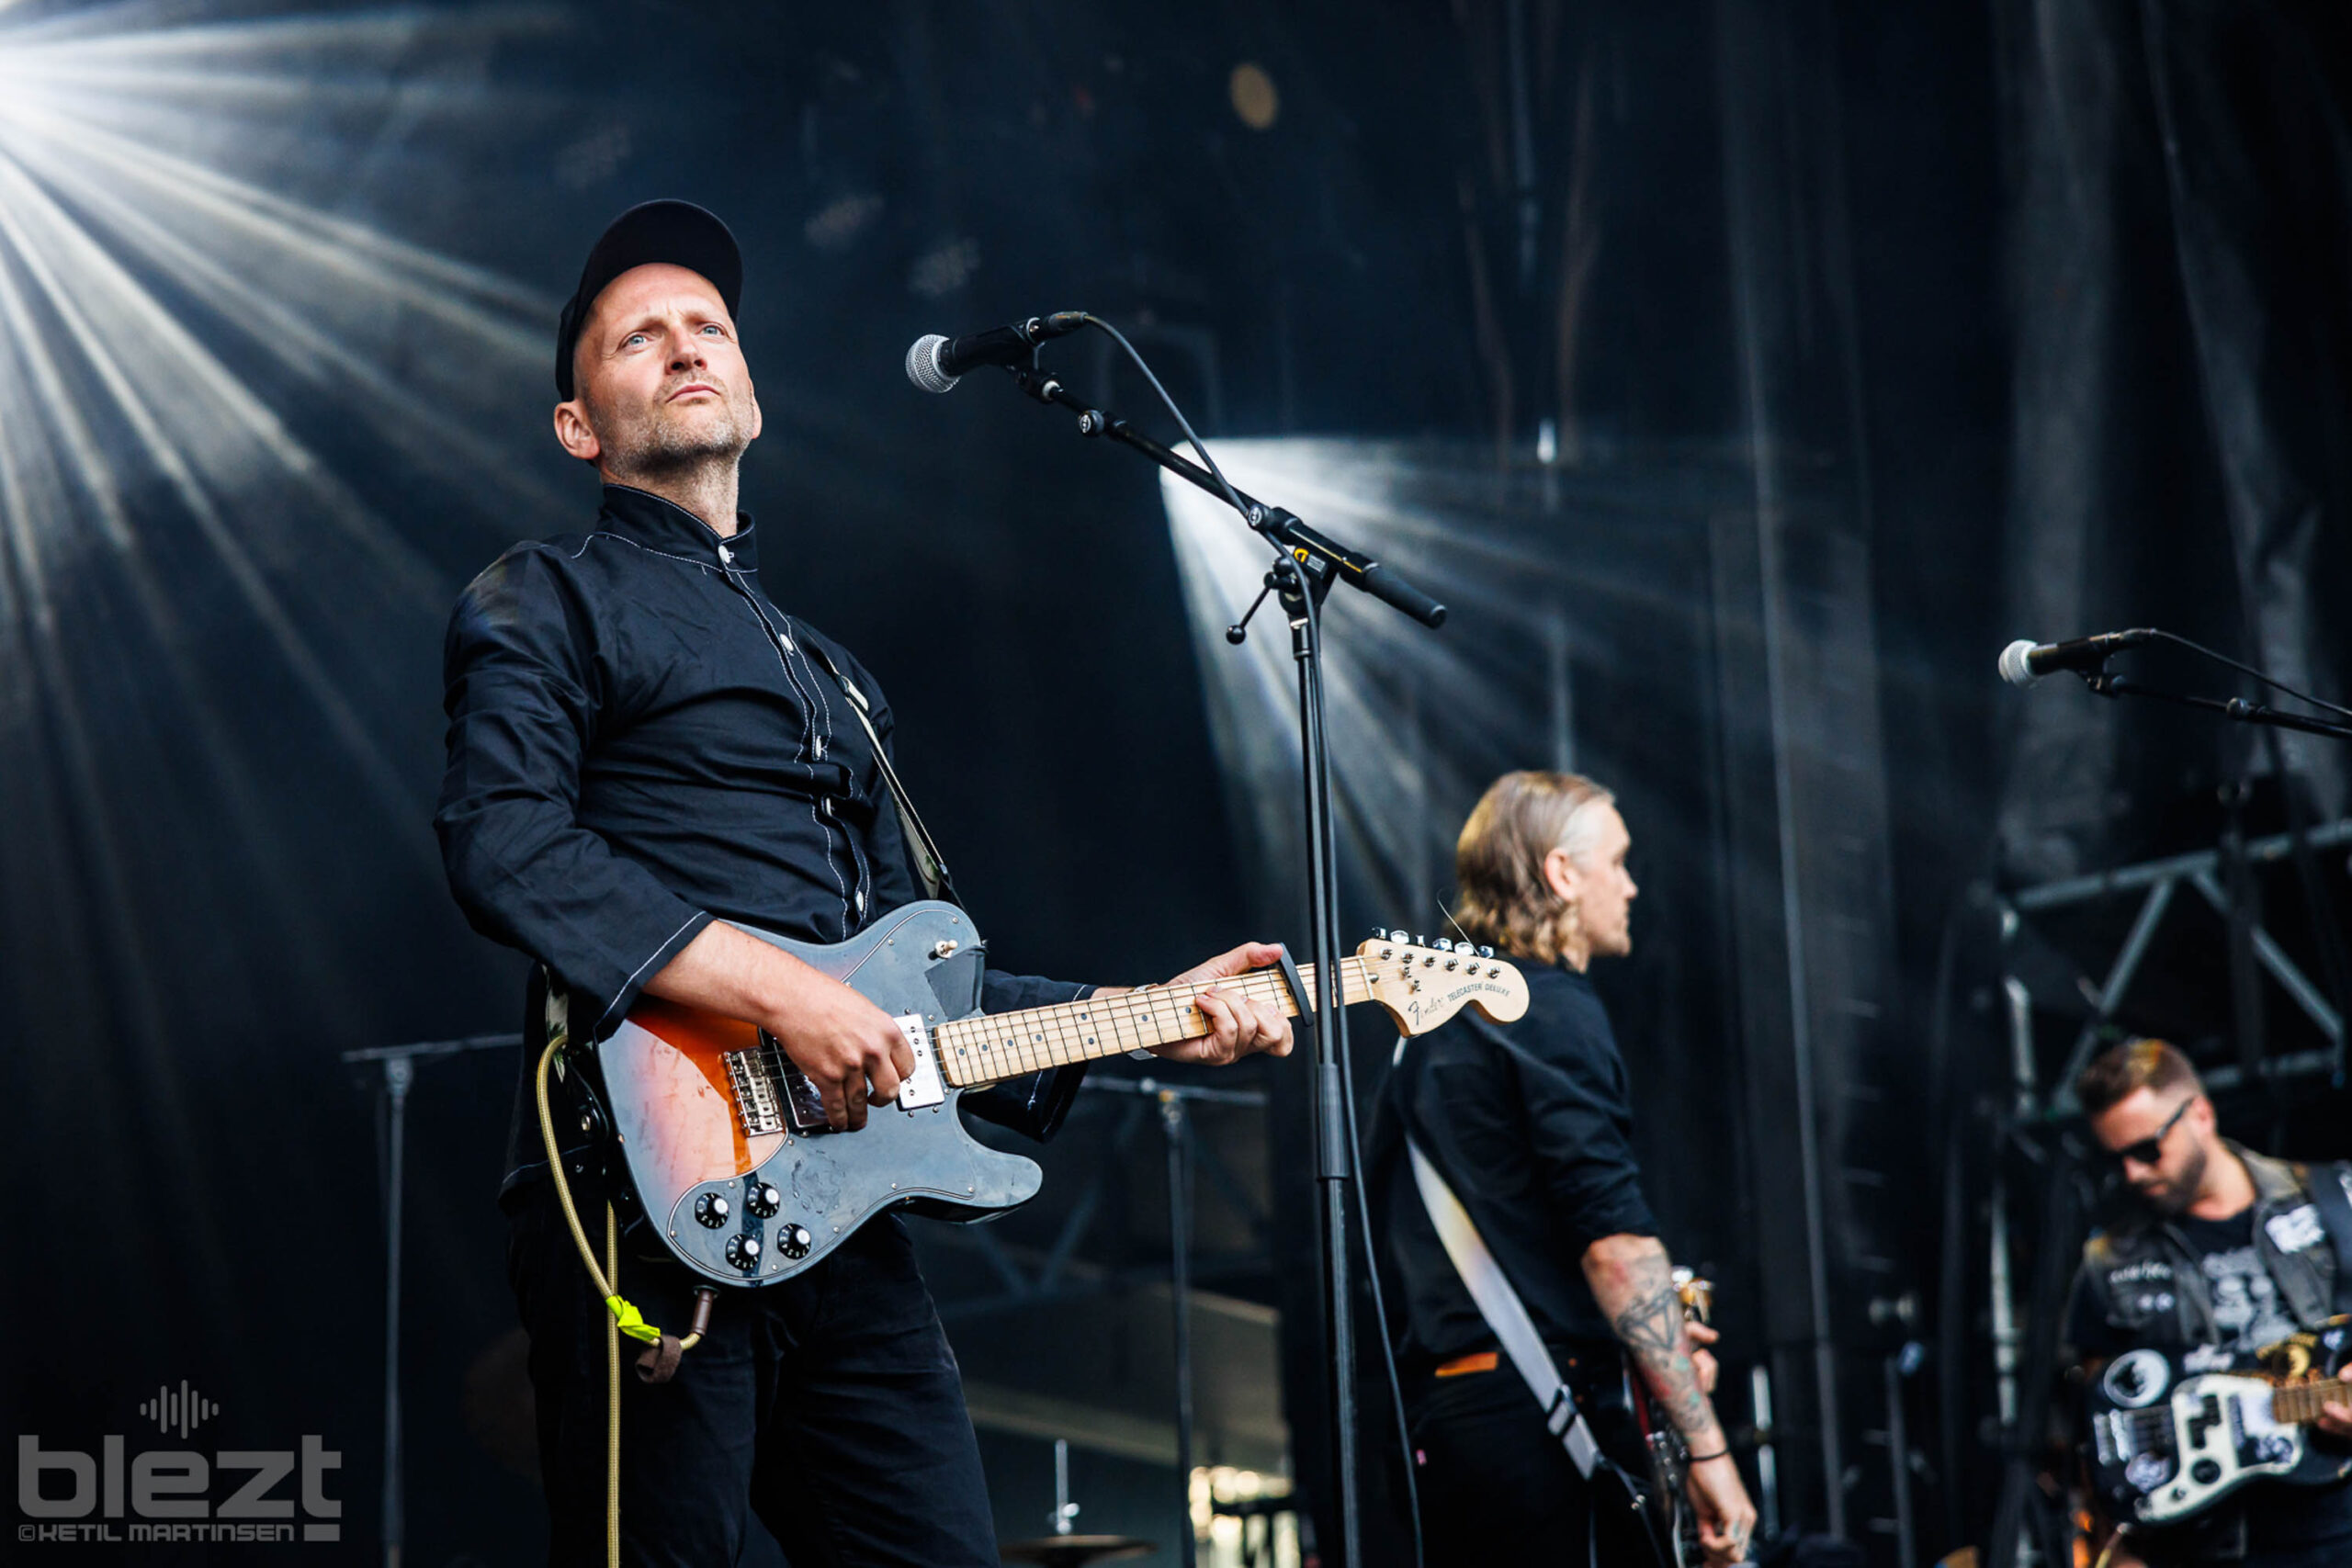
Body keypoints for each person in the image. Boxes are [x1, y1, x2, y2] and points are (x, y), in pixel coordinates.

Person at [435, 200, 1295, 1567]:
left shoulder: (837, 674)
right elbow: (506, 843)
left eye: (707, 326)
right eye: (637, 337)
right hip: (650, 1193)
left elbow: (916, 993)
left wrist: (1150, 1008)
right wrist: (779, 993)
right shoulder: (544, 598)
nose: (684, 347)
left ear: (754, 395)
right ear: (577, 426)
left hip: (850, 1220)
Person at [1369, 770, 1758, 1566]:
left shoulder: (1427, 1033)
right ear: (1560, 873)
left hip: (1450, 1421)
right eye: (1616, 862)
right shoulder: (1553, 1009)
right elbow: (1614, 1245)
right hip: (1542, 1422)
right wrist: (1710, 1453)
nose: (1632, 885)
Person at [2067, 1039, 2352, 1568]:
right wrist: (2117, 1545)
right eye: (2118, 1158)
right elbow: (2098, 1418)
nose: (2133, 1172)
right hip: (2211, 1545)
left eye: (2148, 1149)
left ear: (2199, 1113)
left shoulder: (2336, 1197)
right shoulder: (2110, 1261)